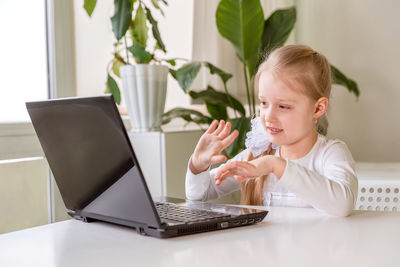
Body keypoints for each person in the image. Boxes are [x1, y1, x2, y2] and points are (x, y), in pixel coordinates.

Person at [185, 45, 358, 217]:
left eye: (283, 106)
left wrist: (275, 165)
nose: (268, 116)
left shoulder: (331, 153)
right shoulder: (258, 153)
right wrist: (198, 166)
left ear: (318, 108)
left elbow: (342, 206)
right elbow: (200, 195)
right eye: (264, 103)